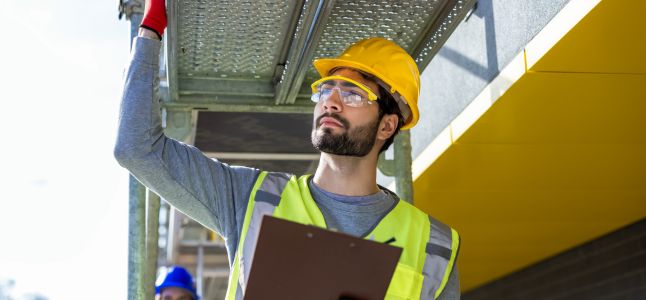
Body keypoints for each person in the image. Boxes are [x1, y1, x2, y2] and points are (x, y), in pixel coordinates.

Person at [115, 0, 461, 299]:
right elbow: (137, 149)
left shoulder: (437, 246)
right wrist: (150, 31)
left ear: (387, 125)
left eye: (354, 93)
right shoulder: (249, 199)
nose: (332, 102)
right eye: (326, 90)